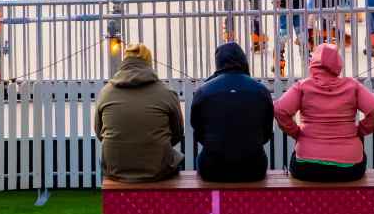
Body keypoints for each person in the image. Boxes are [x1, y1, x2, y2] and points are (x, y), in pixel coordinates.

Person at [273, 43, 374, 181]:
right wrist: (360, 130)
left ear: (313, 63)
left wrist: (296, 132)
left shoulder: (303, 86)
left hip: (307, 166)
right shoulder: (352, 86)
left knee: (295, 159)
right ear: (338, 64)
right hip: (350, 167)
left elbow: (280, 110)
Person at [93, 42, 183, 182]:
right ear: (149, 62)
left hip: (114, 168)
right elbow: (177, 134)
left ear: (124, 62)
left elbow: (99, 133)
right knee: (175, 158)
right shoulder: (167, 93)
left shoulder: (106, 92)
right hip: (158, 169)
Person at [190, 41, 274, 182]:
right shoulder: (261, 91)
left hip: (212, 168)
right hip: (254, 168)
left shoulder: (203, 91)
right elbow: (266, 134)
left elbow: (198, 133)